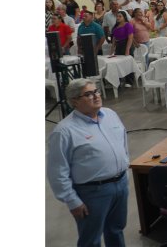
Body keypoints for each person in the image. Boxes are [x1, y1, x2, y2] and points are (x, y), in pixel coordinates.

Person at [46, 79, 130, 247]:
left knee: (116, 230)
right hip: (92, 192)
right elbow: (57, 171)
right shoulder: (64, 131)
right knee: (91, 239)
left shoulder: (110, 115)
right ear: (74, 101)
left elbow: (123, 144)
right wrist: (72, 201)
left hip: (120, 184)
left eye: (96, 91)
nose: (96, 96)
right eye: (88, 94)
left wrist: (124, 169)